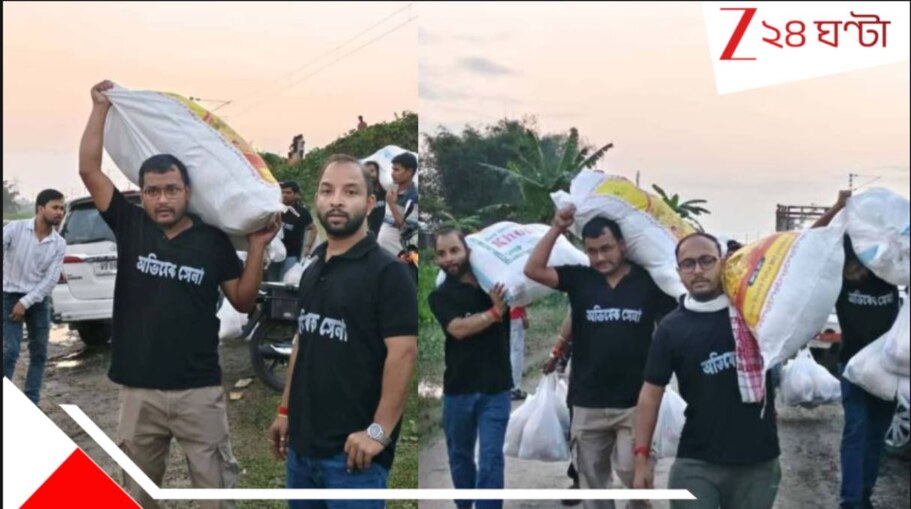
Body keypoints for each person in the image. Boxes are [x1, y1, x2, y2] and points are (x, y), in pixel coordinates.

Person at [80, 80, 279, 509]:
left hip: (198, 391)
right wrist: (98, 109)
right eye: (153, 190)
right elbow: (90, 171)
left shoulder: (211, 241)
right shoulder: (130, 225)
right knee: (136, 494)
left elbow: (243, 301)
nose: (163, 198)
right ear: (142, 194)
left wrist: (258, 248)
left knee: (215, 497)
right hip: (139, 391)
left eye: (172, 189)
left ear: (188, 192)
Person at [267, 155, 418, 509]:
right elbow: (303, 341)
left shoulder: (387, 273)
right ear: (317, 200)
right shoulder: (314, 267)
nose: (336, 199)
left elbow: (403, 353)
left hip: (353, 459)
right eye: (327, 190)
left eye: (350, 191)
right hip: (302, 452)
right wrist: (285, 411)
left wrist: (378, 433)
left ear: (369, 203)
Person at [524, 207, 676, 509]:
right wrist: (556, 228)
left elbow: (671, 325)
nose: (600, 258)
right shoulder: (579, 279)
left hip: (635, 402)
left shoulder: (648, 282)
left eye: (606, 248)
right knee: (593, 484)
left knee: (636, 479)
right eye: (592, 251)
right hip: (587, 401)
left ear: (622, 245)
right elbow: (534, 270)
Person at [632, 232, 781, 509]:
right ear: (678, 272)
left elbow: (789, 262)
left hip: (758, 463)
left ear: (723, 263)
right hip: (697, 462)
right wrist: (641, 459)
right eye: (688, 264)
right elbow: (650, 395)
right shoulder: (671, 329)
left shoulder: (755, 314)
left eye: (706, 261)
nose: (697, 270)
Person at [813, 190, 900, 509]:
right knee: (857, 431)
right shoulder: (844, 251)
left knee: (876, 435)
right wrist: (836, 206)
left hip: (889, 368)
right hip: (853, 365)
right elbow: (811, 240)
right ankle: (851, 501)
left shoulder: (892, 257)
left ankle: (863, 496)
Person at [429, 227, 512, 509]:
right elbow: (459, 329)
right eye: (441, 254)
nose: (449, 258)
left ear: (468, 252)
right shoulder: (440, 297)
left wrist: (499, 306)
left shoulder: (497, 288)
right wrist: (493, 314)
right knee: (460, 458)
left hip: (496, 389)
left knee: (490, 458)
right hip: (458, 390)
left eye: (454, 250)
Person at [3, 189, 67, 405]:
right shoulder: (15, 229)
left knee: (39, 353)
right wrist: (17, 301)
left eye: (62, 208)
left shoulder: (59, 243)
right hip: (8, 296)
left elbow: (51, 279)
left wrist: (26, 302)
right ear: (40, 209)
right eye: (55, 207)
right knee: (9, 351)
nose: (60, 212)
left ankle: (31, 402)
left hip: (37, 301)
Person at [268, 180, 316, 281]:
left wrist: (308, 246)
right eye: (283, 192)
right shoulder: (275, 209)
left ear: (296, 195)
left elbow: (313, 228)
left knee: (286, 282)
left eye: (288, 192)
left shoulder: (302, 212)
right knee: (271, 282)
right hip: (274, 253)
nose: (285, 195)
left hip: (291, 255)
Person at [377, 152, 418, 256]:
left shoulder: (413, 198)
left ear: (409, 172)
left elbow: (407, 230)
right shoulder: (392, 190)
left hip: (399, 255)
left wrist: (392, 205)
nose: (392, 173)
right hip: (382, 251)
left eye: (397, 170)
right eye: (392, 169)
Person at [508, 306, 528, 400]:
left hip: (501, 317)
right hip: (515, 316)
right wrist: (524, 314)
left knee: (507, 352)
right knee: (516, 353)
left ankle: (507, 387)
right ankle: (514, 388)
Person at [364, 161, 387, 237]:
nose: (370, 174)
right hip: (373, 231)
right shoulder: (365, 192)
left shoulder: (385, 190)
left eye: (372, 171)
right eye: (367, 172)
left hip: (387, 231)